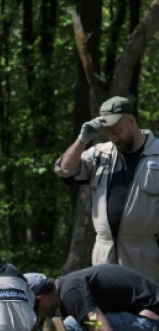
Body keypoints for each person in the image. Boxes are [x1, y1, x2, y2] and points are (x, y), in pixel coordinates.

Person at [55, 96, 159, 281]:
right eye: (108, 133)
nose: (113, 137)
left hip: (146, 255)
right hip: (104, 253)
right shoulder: (100, 154)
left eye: (116, 131)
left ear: (132, 120)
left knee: (146, 308)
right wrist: (82, 139)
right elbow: (65, 170)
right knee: (106, 308)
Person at [28, 265, 159, 331]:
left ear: (39, 299)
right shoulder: (67, 287)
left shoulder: (70, 294)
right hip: (145, 320)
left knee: (71, 327)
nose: (38, 315)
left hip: (152, 324)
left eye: (33, 310)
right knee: (68, 329)